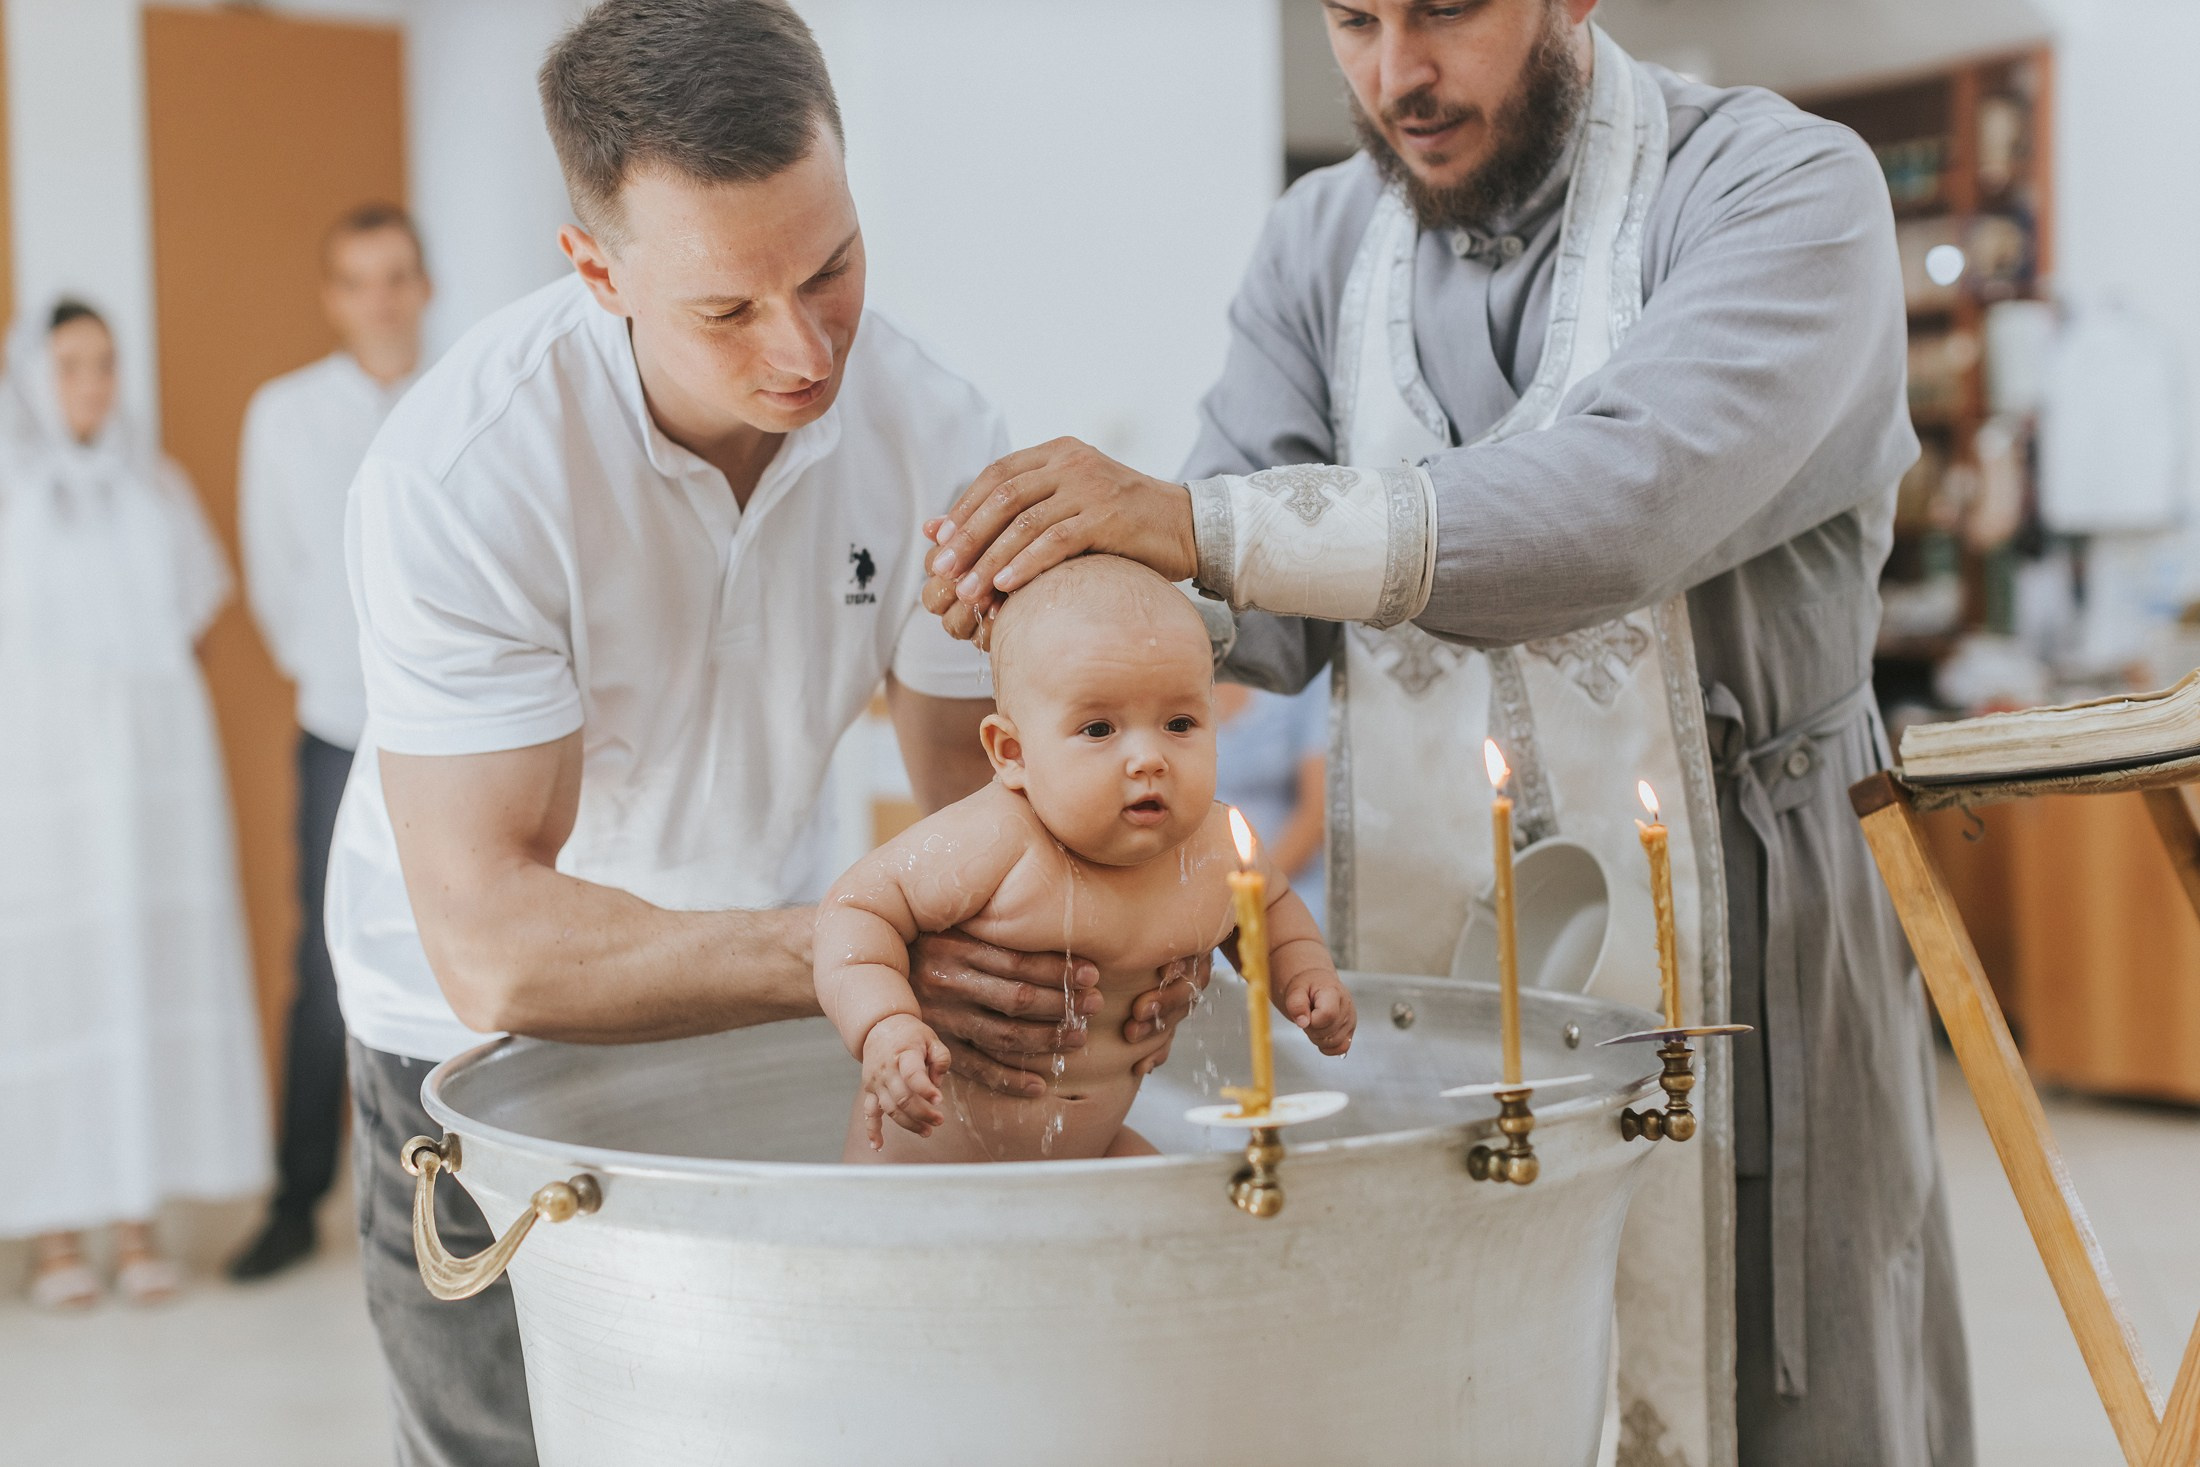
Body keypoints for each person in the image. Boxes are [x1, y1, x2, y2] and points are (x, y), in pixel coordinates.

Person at [922, 2, 1970, 1463]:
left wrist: (1195, 524)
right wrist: (1038, 616)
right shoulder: (1319, 243)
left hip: (1750, 930)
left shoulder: (1779, 189)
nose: (1394, 75)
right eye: (1351, 18)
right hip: (1422, 949)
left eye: (1445, 10)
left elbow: (1625, 512)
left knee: (1777, 1386)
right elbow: (1242, 620)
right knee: (1464, 1374)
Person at [324, 4, 1204, 1462]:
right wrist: (856, 944)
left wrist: (1107, 945)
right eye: (727, 310)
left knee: (783, 1421)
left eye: (834, 267)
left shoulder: (932, 431)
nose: (804, 350)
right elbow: (498, 940)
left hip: (775, 982)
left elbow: (985, 803)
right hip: (461, 1040)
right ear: (596, 269)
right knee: (510, 1439)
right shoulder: (462, 476)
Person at [817, 555, 1352, 1162]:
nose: (1149, 758)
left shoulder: (1217, 845)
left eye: (1180, 723)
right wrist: (884, 1024)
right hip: (934, 1167)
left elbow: (1272, 911)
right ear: (1012, 752)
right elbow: (855, 910)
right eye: (1099, 730)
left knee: (1164, 1194)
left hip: (1090, 1153)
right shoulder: (994, 839)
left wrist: (1305, 977)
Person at [0, 300, 269, 1308]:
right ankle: (57, 1237)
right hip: (40, 781)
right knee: (53, 979)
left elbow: (192, 619)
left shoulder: (155, 487)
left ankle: (137, 1219)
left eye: (104, 364)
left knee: (143, 970)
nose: (91, 384)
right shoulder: (11, 497)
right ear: (34, 377)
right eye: (70, 365)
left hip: (150, 777)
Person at [228, 203, 432, 1282]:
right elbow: (278, 576)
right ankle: (297, 1196)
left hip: (454, 736)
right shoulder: (286, 414)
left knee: (466, 952)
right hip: (342, 727)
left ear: (423, 287)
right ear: (333, 296)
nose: (380, 301)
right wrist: (342, 675)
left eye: (396, 277)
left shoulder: (463, 396)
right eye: (358, 281)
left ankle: (448, 1189)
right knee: (322, 960)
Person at [1213, 670, 1328, 929]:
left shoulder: (1307, 670)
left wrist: (1249, 892)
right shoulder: (1172, 666)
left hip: (1290, 879)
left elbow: (1316, 810)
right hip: (1192, 886)